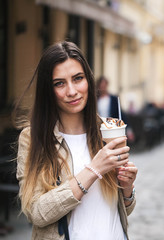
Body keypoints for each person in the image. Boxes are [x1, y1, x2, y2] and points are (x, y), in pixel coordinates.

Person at [15, 41, 137, 240]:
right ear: (48, 90)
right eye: (59, 83)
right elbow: (36, 213)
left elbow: (123, 210)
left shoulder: (107, 130)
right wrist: (93, 170)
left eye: (78, 78)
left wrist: (127, 188)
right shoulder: (33, 138)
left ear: (88, 80)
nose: (71, 91)